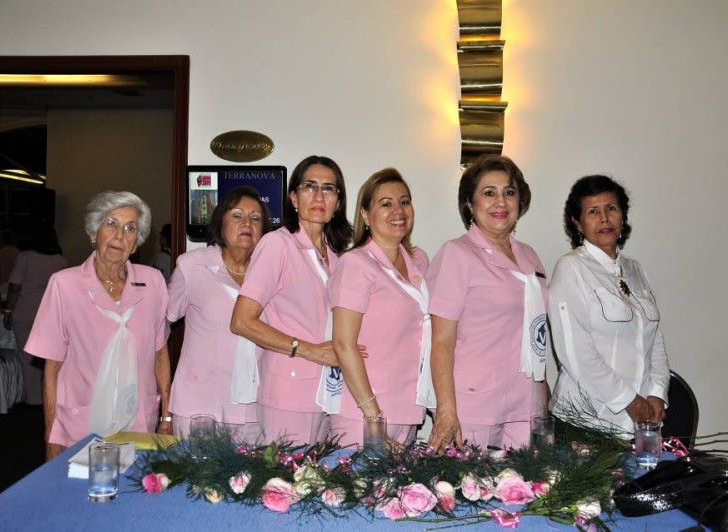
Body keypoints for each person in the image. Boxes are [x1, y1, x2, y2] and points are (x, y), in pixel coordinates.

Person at [26, 191, 172, 459]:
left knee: (136, 495)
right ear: (94, 233)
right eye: (111, 224)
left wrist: (166, 417)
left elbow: (160, 354)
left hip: (138, 424)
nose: (120, 235)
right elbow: (52, 367)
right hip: (81, 424)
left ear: (137, 243)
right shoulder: (64, 284)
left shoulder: (153, 282)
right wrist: (51, 433)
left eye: (130, 229)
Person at [231, 155, 358, 445]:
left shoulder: (339, 258)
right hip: (287, 391)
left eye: (328, 188)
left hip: (331, 392)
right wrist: (310, 350)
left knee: (317, 485)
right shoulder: (278, 244)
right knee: (284, 486)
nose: (318, 195)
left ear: (338, 202)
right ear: (294, 198)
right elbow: (241, 321)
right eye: (309, 186)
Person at [427, 154, 549, 452]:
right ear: (470, 204)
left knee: (525, 493)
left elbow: (538, 335)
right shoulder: (457, 254)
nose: (501, 202)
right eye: (489, 193)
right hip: (473, 402)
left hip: (526, 402)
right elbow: (441, 340)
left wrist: (543, 400)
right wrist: (445, 410)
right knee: (470, 494)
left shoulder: (530, 257)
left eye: (509, 192)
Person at [548, 175, 669, 437]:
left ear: (623, 216)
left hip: (639, 424)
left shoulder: (635, 269)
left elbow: (654, 339)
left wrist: (657, 393)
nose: (604, 218)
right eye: (593, 211)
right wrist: (628, 401)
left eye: (611, 209)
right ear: (577, 222)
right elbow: (576, 355)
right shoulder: (571, 268)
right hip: (586, 424)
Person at [329, 169, 431, 449]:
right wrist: (375, 420)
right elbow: (343, 344)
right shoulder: (355, 264)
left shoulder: (419, 260)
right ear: (365, 215)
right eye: (386, 204)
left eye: (405, 201)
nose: (398, 210)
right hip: (363, 413)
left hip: (409, 407)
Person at [167, 188, 269, 441]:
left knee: (254, 480)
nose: (247, 223)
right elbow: (160, 325)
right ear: (220, 223)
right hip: (200, 407)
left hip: (254, 410)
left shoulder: (271, 274)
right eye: (237, 216)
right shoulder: (192, 266)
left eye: (256, 218)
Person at [3, 224, 69, 405]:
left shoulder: (25, 257)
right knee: (49, 358)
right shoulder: (60, 260)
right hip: (50, 315)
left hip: (25, 311)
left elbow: (15, 287)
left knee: (27, 358)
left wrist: (8, 310)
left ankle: (34, 399)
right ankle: (49, 397)